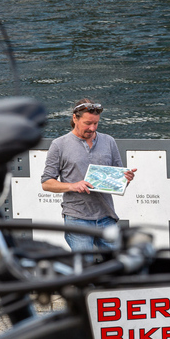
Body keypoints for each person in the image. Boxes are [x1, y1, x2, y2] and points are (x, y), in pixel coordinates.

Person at [41, 98, 136, 256]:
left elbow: (119, 181)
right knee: (85, 268)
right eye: (87, 123)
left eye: (96, 123)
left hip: (107, 216)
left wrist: (125, 179)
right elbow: (46, 183)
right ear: (75, 118)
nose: (92, 128)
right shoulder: (59, 145)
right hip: (77, 218)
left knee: (117, 265)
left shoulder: (109, 142)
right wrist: (72, 186)